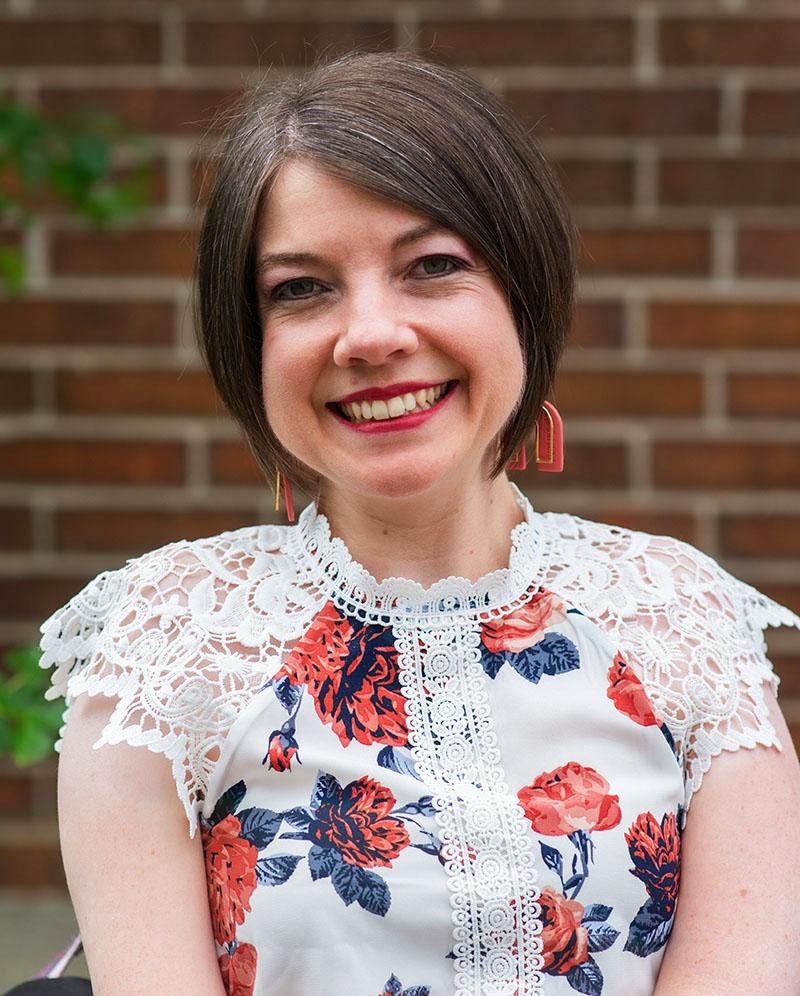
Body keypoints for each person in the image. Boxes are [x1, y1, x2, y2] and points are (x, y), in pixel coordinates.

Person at [37, 50, 800, 996]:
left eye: (432, 266)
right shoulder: (161, 651)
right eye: (299, 289)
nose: (369, 335)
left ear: (525, 294)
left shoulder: (684, 625)